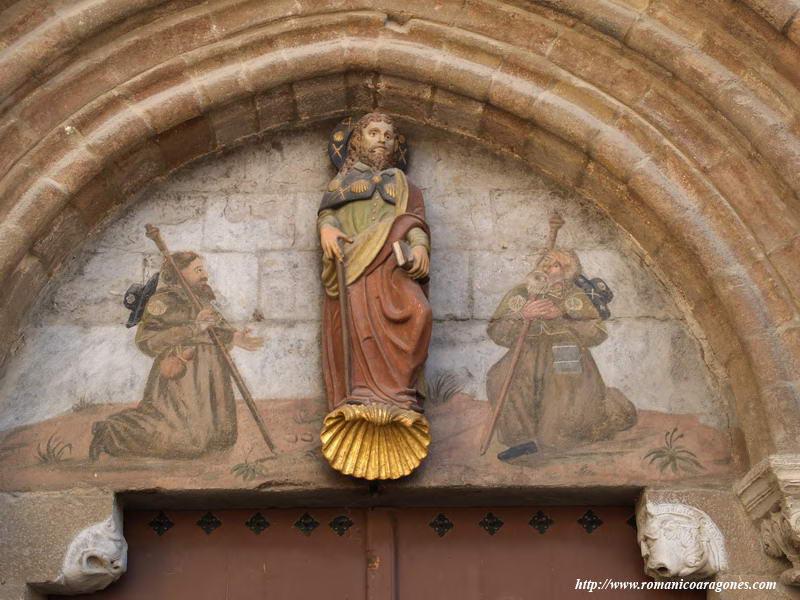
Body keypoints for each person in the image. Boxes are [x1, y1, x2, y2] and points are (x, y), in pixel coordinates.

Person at [316, 113, 433, 480]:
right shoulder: (342, 182)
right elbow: (328, 216)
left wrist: (421, 247)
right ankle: (362, 392)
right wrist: (327, 232)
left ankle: (400, 393)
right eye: (373, 132)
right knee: (357, 326)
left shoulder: (403, 183)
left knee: (420, 313)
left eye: (387, 134)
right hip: (355, 267)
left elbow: (414, 221)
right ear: (357, 141)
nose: (381, 139)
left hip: (393, 266)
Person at [89, 252, 263, 460]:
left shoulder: (202, 299)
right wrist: (192, 328)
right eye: (198, 270)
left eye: (203, 269)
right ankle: (110, 431)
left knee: (222, 436)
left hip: (212, 374)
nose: (205, 275)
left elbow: (217, 331)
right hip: (183, 375)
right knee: (186, 439)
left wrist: (234, 337)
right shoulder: (162, 302)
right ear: (179, 272)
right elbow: (148, 342)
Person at [486, 248, 636, 462]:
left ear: (566, 271)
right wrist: (522, 315)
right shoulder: (521, 293)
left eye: (555, 264)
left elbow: (597, 332)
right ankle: (521, 440)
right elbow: (496, 331)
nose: (547, 268)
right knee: (500, 376)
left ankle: (554, 439)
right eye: (544, 262)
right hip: (526, 350)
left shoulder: (575, 295)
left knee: (562, 388)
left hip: (566, 351)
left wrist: (562, 317)